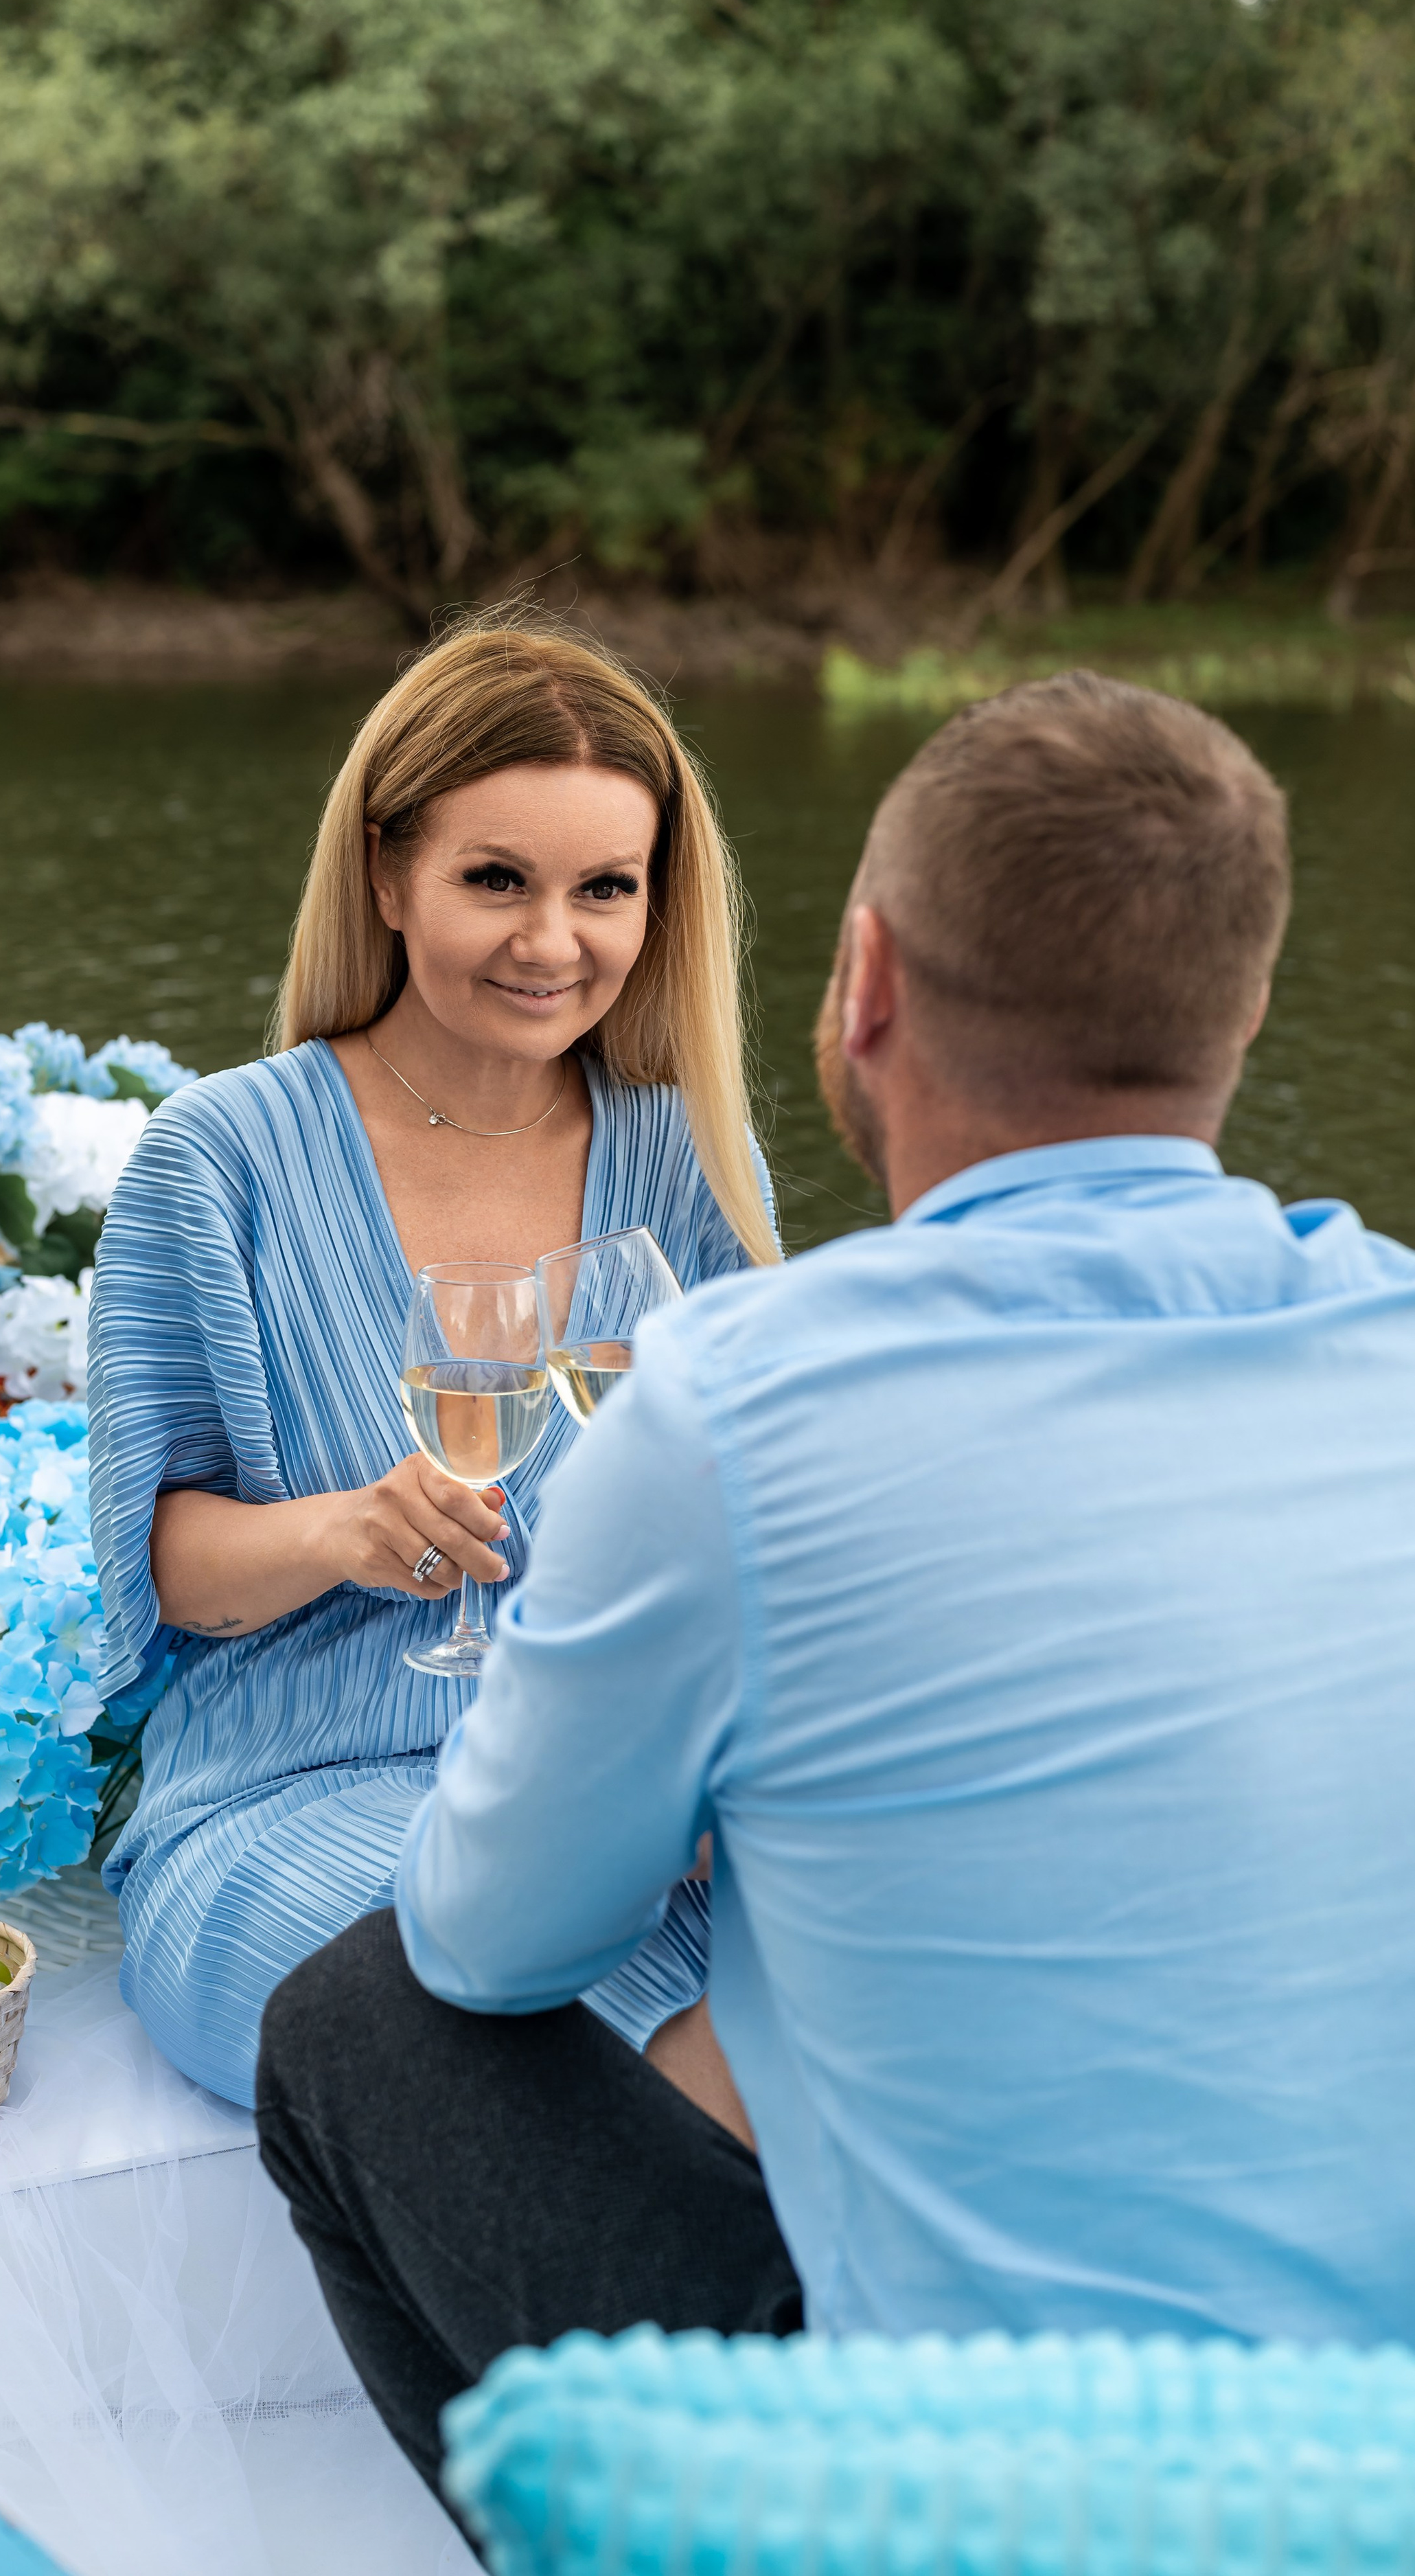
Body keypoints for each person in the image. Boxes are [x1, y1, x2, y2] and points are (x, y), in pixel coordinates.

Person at [255, 671, 1415, 2503]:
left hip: (979, 2481)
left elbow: (488, 1942)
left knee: (354, 2019)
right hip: (1375, 2436)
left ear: (864, 982)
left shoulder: (730, 1402)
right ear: (1247, 1006)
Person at [87, 619, 778, 2106]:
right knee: (518, 2008)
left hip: (624, 1789)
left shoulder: (691, 1158)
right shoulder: (219, 1160)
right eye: (497, 880)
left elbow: (753, 1538)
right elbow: (160, 1574)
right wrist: (342, 1533)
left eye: (605, 889)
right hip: (299, 1794)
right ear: (388, 877)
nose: (554, 943)